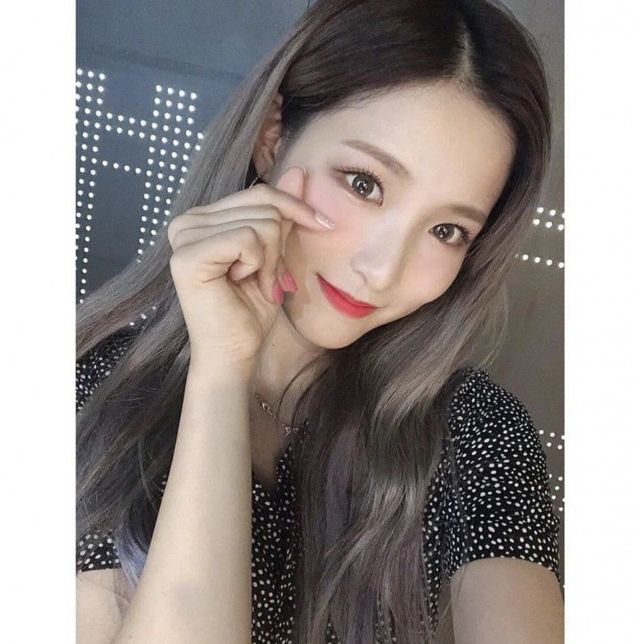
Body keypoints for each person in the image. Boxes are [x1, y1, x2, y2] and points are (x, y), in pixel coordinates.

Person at [76, 0, 563, 642]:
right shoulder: (93, 393)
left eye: (446, 230)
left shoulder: (470, 429)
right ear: (272, 136)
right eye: (364, 184)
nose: (382, 271)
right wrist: (220, 373)